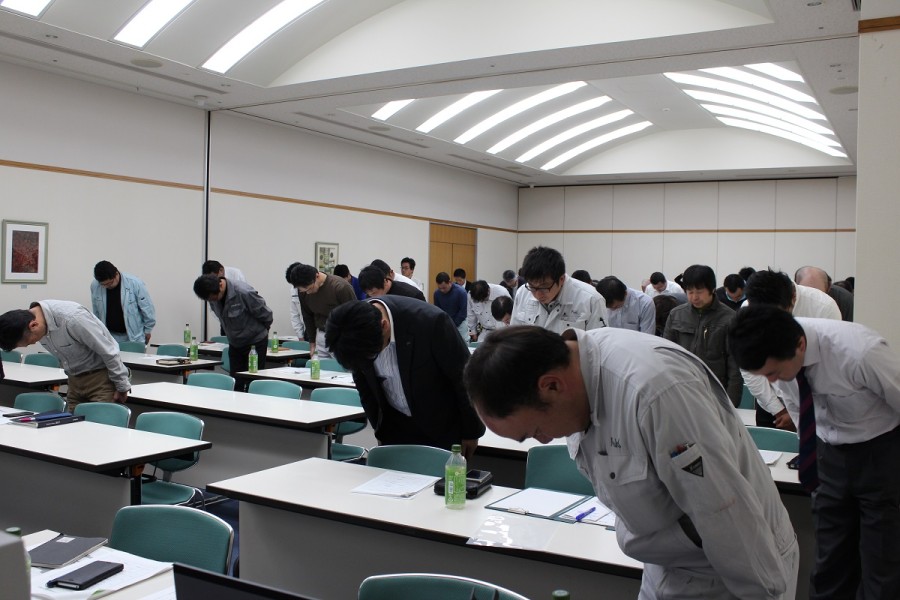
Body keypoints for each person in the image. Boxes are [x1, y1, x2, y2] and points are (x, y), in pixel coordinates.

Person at [464, 326, 798, 599]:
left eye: (536, 430)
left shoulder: (656, 391)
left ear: (552, 385)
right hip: (670, 566)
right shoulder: (575, 375)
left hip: (735, 572)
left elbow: (725, 514)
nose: (544, 441)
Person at [729, 305, 900, 600]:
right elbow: (798, 409)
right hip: (828, 456)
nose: (772, 381)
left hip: (880, 454)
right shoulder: (779, 356)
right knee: (829, 562)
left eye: (774, 373)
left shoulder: (860, 351)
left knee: (882, 562)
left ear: (800, 345)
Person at [325, 296, 485, 458]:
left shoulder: (431, 323)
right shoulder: (352, 333)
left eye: (373, 355)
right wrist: (379, 429)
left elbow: (464, 379)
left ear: (384, 326)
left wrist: (471, 432)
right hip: (395, 425)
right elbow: (365, 389)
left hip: (441, 424)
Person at [0, 301, 130, 411]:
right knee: (72, 427)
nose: (33, 343)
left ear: (33, 325)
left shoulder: (74, 319)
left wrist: (122, 386)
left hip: (101, 379)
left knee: (98, 426)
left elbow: (109, 352)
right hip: (74, 381)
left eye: (30, 342)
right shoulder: (33, 323)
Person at [663, 265, 742, 407]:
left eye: (699, 292)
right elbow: (666, 356)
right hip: (681, 390)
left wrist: (731, 404)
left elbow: (734, 365)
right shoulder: (676, 315)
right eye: (690, 292)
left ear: (712, 289)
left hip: (715, 393)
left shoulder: (729, 318)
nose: (694, 297)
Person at [192, 273, 273, 380]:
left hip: (255, 343)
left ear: (220, 286)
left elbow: (266, 314)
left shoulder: (243, 292)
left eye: (214, 298)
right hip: (235, 343)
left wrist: (259, 331)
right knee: (236, 381)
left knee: (253, 380)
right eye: (209, 300)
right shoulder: (211, 295)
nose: (212, 301)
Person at [510, 246, 607, 332]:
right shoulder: (522, 293)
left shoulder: (591, 300)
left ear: (561, 279)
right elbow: (514, 335)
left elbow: (598, 342)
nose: (538, 295)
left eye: (544, 287)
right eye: (532, 286)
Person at [289, 263, 356, 358]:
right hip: (320, 335)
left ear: (317, 276)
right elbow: (307, 316)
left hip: (341, 336)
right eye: (304, 291)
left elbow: (354, 315)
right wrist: (312, 342)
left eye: (310, 288)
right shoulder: (303, 292)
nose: (308, 292)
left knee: (341, 366)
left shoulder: (340, 287)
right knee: (317, 366)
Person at [89, 260, 156, 345]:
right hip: (109, 337)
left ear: (116, 274)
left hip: (134, 337)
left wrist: (148, 330)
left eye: (109, 283)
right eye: (103, 284)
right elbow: (96, 311)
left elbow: (147, 308)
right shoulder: (95, 285)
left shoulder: (135, 283)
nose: (107, 286)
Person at [358, 265, 425, 301]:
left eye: (374, 293)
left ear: (384, 282)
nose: (372, 297)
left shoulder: (411, 295)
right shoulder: (370, 296)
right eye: (368, 294)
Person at [433, 272, 468, 340]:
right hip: (446, 324)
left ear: (449, 282)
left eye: (444, 288)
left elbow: (463, 312)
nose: (442, 290)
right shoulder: (437, 293)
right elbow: (438, 311)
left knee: (463, 343)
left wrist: (453, 324)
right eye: (440, 288)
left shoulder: (461, 292)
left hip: (460, 323)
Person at [285, 262, 305, 341]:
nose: (295, 287)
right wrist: (300, 336)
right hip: (306, 330)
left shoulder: (314, 289)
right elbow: (294, 314)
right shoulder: (293, 290)